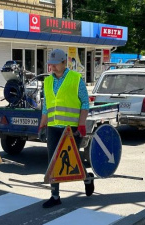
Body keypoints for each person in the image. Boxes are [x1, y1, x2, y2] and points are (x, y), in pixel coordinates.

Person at [38, 49, 95, 208]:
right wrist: (42, 125)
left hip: (72, 129)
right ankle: (55, 196)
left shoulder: (76, 79)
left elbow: (85, 104)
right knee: (52, 161)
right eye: (51, 65)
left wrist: (82, 124)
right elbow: (46, 106)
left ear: (65, 63)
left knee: (73, 160)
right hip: (53, 128)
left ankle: (87, 178)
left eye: (56, 65)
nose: (53, 68)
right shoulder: (48, 81)